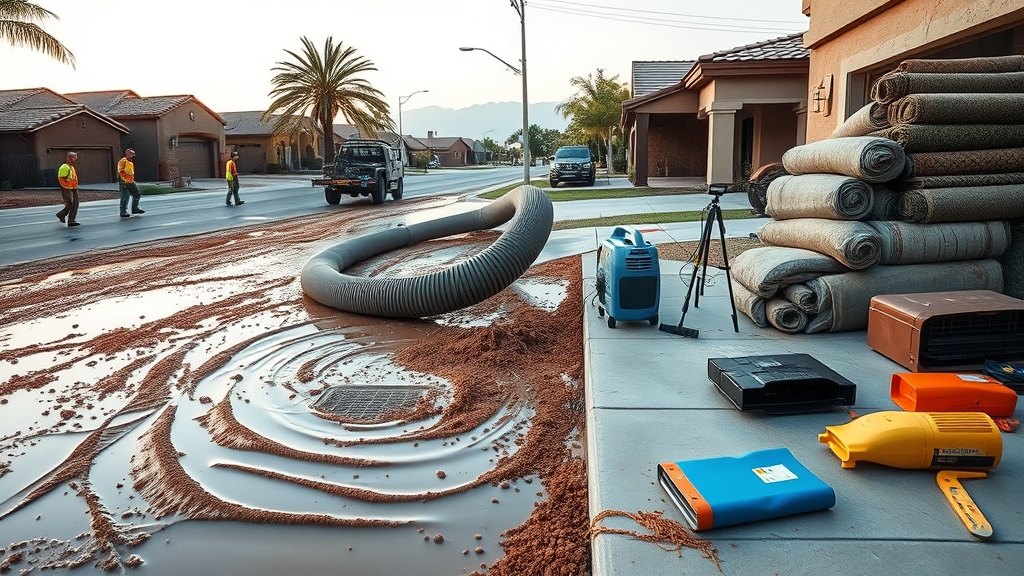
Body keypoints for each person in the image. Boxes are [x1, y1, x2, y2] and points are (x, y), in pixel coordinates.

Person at [56, 151, 81, 227]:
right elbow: (61, 178)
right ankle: (61, 214)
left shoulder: (71, 167)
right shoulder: (64, 167)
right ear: (70, 158)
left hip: (73, 188)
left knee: (75, 204)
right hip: (67, 188)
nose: (76, 159)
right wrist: (66, 186)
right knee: (70, 203)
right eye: (75, 157)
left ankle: (71, 221)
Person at [117, 148, 144, 218]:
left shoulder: (130, 162)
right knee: (125, 196)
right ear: (127, 153)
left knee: (136, 194)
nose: (133, 155)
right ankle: (123, 211)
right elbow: (121, 171)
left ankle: (134, 208)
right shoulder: (123, 161)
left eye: (133, 154)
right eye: (131, 154)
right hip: (125, 182)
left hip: (129, 181)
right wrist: (126, 179)